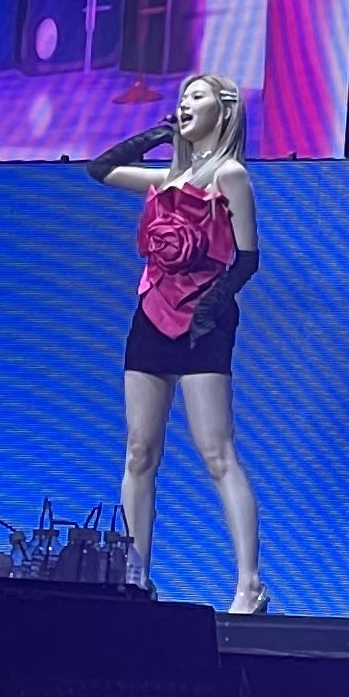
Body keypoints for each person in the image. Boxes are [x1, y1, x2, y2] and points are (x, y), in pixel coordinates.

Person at [87, 74, 266, 614]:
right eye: (182, 97)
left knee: (216, 452)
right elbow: (100, 169)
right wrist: (157, 135)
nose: (185, 104)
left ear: (224, 110)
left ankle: (250, 583)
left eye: (197, 97)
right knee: (139, 452)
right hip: (151, 317)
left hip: (203, 321)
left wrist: (209, 310)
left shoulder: (230, 175)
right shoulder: (167, 176)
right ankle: (135, 576)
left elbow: (247, 260)